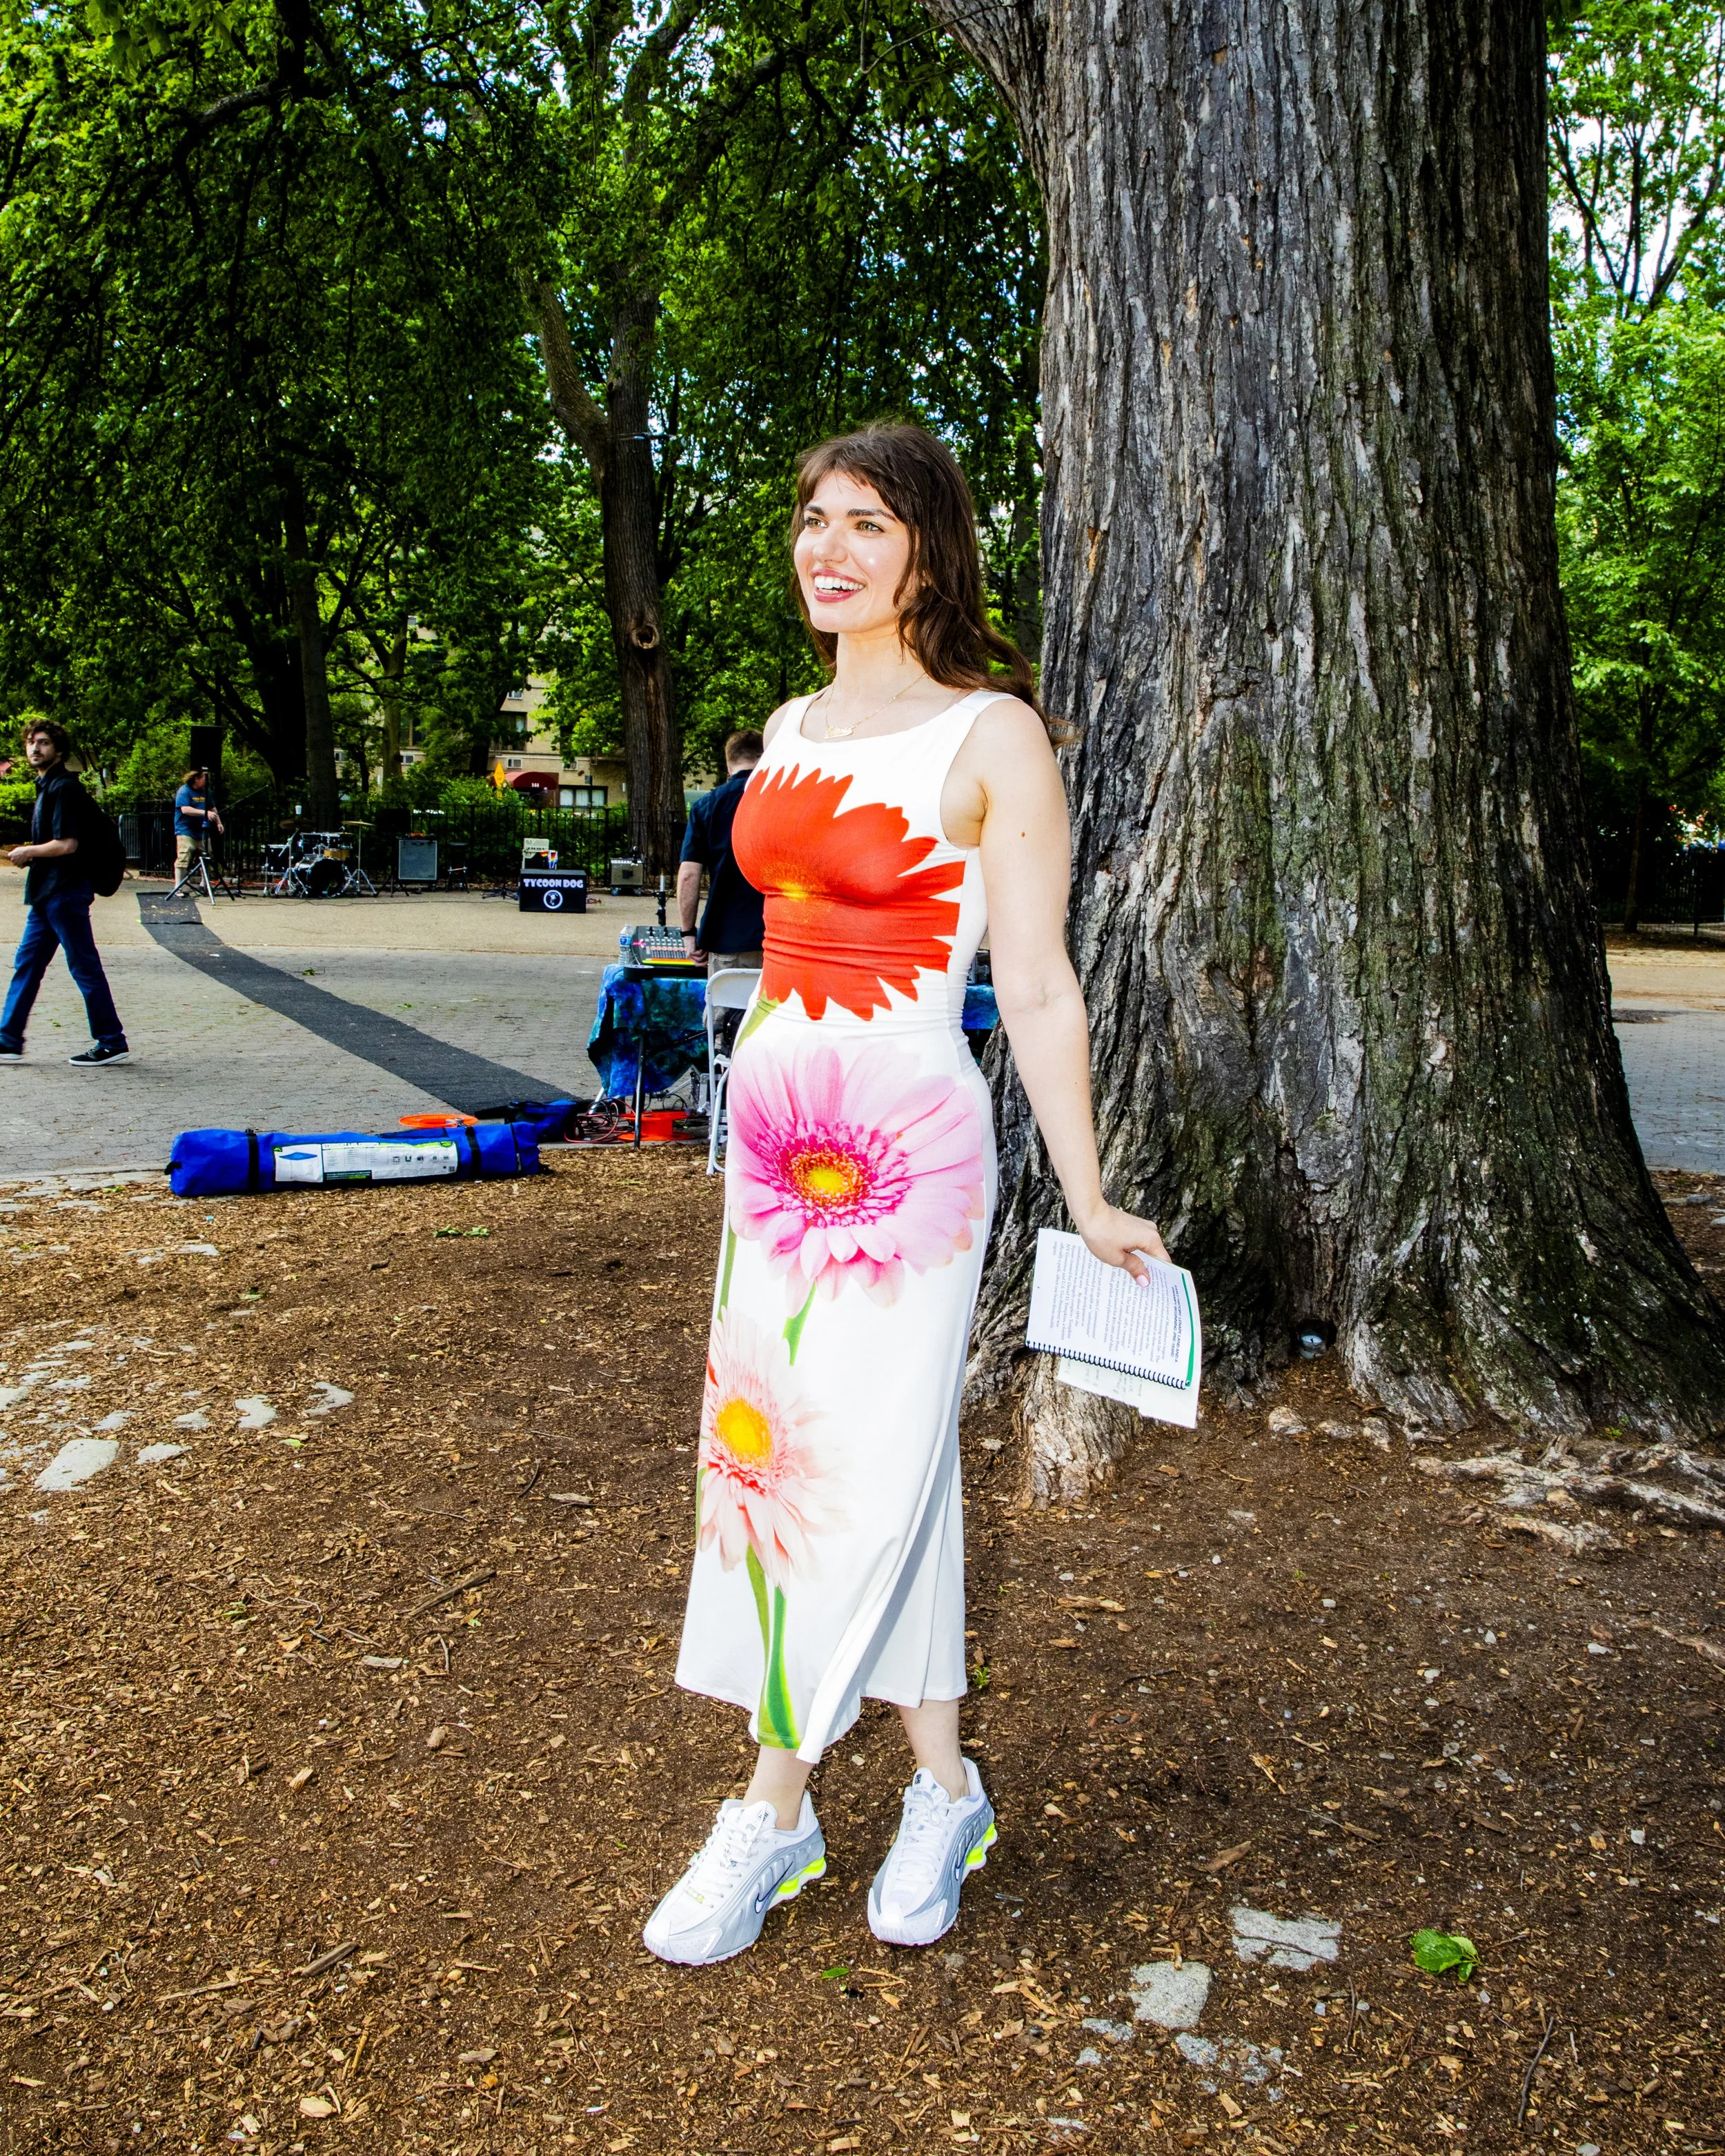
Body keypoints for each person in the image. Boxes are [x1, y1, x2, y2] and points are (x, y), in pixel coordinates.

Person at [643, 424, 1169, 1968]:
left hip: (909, 1145)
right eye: (812, 519)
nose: (828, 547)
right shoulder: (790, 717)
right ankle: (941, 1784)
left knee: (844, 1472)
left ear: (926, 550)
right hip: (775, 1126)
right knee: (781, 1461)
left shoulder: (993, 735)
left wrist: (1086, 1193)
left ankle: (774, 1801)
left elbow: (1042, 985)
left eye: (865, 523)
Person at [0, 718, 130, 1067]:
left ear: (57, 750)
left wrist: (29, 851)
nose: (35, 748)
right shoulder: (47, 787)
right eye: (31, 743)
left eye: (43, 743)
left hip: (66, 892)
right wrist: (34, 855)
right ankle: (8, 1040)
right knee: (26, 965)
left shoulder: (64, 789)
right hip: (48, 893)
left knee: (84, 966)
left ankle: (112, 1041)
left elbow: (67, 844)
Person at [678, 729, 765, 973]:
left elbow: (689, 875)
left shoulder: (706, 806)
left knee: (726, 1008)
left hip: (727, 937)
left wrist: (689, 933)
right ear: (764, 757)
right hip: (779, 937)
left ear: (729, 766)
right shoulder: (784, 801)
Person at [172, 767, 223, 882]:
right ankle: (178, 887)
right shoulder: (184, 791)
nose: (206, 780)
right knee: (184, 855)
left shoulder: (206, 792)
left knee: (207, 856)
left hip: (202, 831)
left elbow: (213, 808)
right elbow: (185, 809)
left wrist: (219, 822)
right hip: (185, 829)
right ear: (197, 779)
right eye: (204, 778)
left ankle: (204, 885)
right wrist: (205, 813)